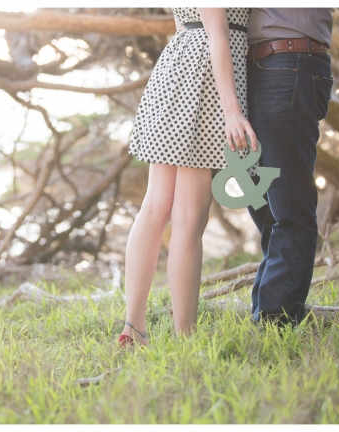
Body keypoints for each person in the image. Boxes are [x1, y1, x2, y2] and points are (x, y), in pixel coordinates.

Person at [120, 8, 256, 346]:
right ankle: (185, 337)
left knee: (156, 207)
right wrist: (232, 111)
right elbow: (218, 35)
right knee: (188, 218)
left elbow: (185, 24)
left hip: (179, 73)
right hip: (204, 84)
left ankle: (133, 328)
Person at [246, 9, 334, 326]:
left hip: (289, 62)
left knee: (289, 205)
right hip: (252, 68)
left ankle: (275, 326)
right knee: (263, 204)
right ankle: (268, 311)